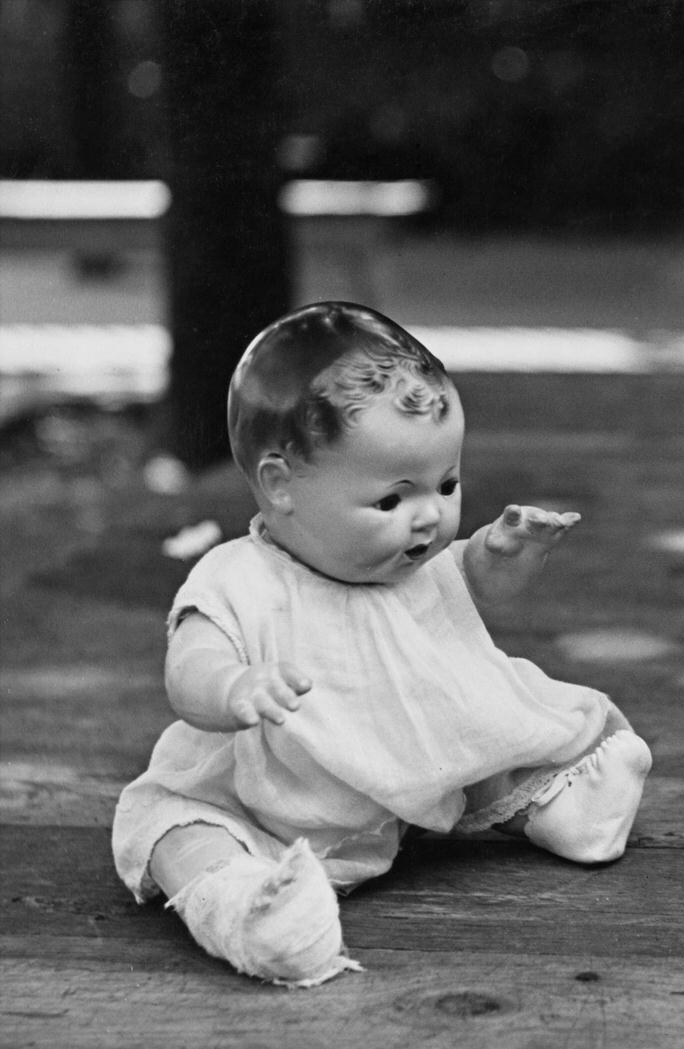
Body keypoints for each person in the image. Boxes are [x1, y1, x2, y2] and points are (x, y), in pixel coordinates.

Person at [113, 302, 652, 986]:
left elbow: (476, 580)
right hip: (259, 803)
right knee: (177, 831)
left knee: (486, 723)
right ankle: (251, 909)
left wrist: (508, 553)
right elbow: (188, 663)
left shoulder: (419, 563)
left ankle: (566, 808)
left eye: (448, 483)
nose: (431, 516)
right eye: (393, 500)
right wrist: (232, 685)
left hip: (395, 787)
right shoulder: (241, 577)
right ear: (282, 485)